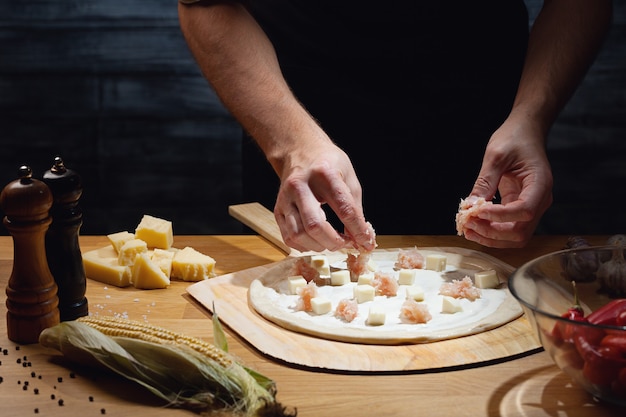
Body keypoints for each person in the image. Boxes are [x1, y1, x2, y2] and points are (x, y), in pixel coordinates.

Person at [177, 0, 612, 252]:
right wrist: (291, 143)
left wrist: (531, 116)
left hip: (484, 127)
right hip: (297, 118)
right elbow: (204, 4)